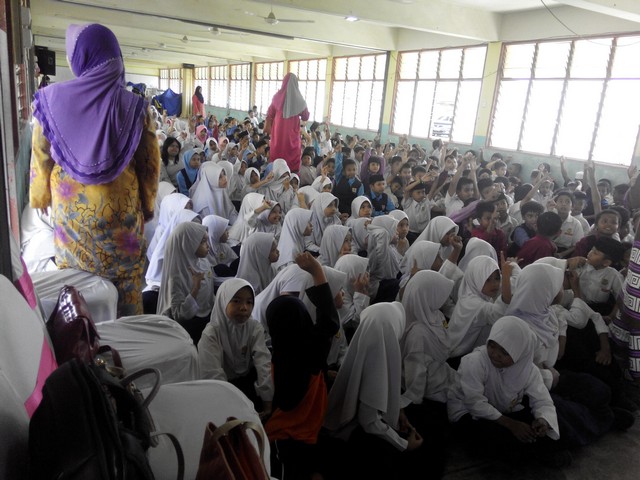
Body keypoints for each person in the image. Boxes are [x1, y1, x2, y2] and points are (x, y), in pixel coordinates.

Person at [29, 23, 159, 316]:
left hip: (72, 225)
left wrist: (41, 196)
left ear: (80, 58)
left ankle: (80, 330)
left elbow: (41, 156)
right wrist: (148, 206)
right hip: (121, 226)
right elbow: (149, 166)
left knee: (76, 289)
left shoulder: (50, 100)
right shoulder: (136, 107)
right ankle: (125, 332)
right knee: (126, 292)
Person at [324, 302, 427, 480]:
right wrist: (404, 444)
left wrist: (399, 411)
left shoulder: (369, 345)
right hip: (349, 437)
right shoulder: (379, 355)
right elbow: (369, 420)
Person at [447, 316, 564, 467]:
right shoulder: (474, 361)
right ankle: (540, 452)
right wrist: (511, 424)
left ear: (520, 353)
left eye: (504, 352)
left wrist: (543, 420)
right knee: (493, 439)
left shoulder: (528, 370)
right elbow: (474, 403)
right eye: (492, 345)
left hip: (504, 409)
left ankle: (538, 448)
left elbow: (542, 400)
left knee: (548, 421)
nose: (495, 354)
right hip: (468, 413)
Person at [265, 253, 340, 480]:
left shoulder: (279, 356)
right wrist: (317, 271)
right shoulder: (311, 351)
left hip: (281, 436)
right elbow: (328, 322)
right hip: (304, 434)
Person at [198, 279, 273, 418]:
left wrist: (267, 401)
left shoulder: (254, 328)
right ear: (223, 301)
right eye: (236, 301)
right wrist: (230, 407)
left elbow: (263, 363)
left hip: (247, 380)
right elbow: (212, 374)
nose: (244, 307)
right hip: (222, 388)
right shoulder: (211, 334)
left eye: (249, 302)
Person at [156, 222, 215, 345]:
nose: (208, 245)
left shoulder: (204, 263)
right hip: (188, 329)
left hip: (207, 319)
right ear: (188, 244)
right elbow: (179, 315)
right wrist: (195, 288)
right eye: (203, 242)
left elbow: (209, 295)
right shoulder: (176, 276)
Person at [264, 73, 310, 173]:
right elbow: (306, 116)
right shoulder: (300, 101)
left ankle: (275, 180)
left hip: (278, 138)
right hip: (292, 140)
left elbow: (270, 114)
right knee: (291, 164)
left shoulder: (276, 98)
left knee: (276, 164)